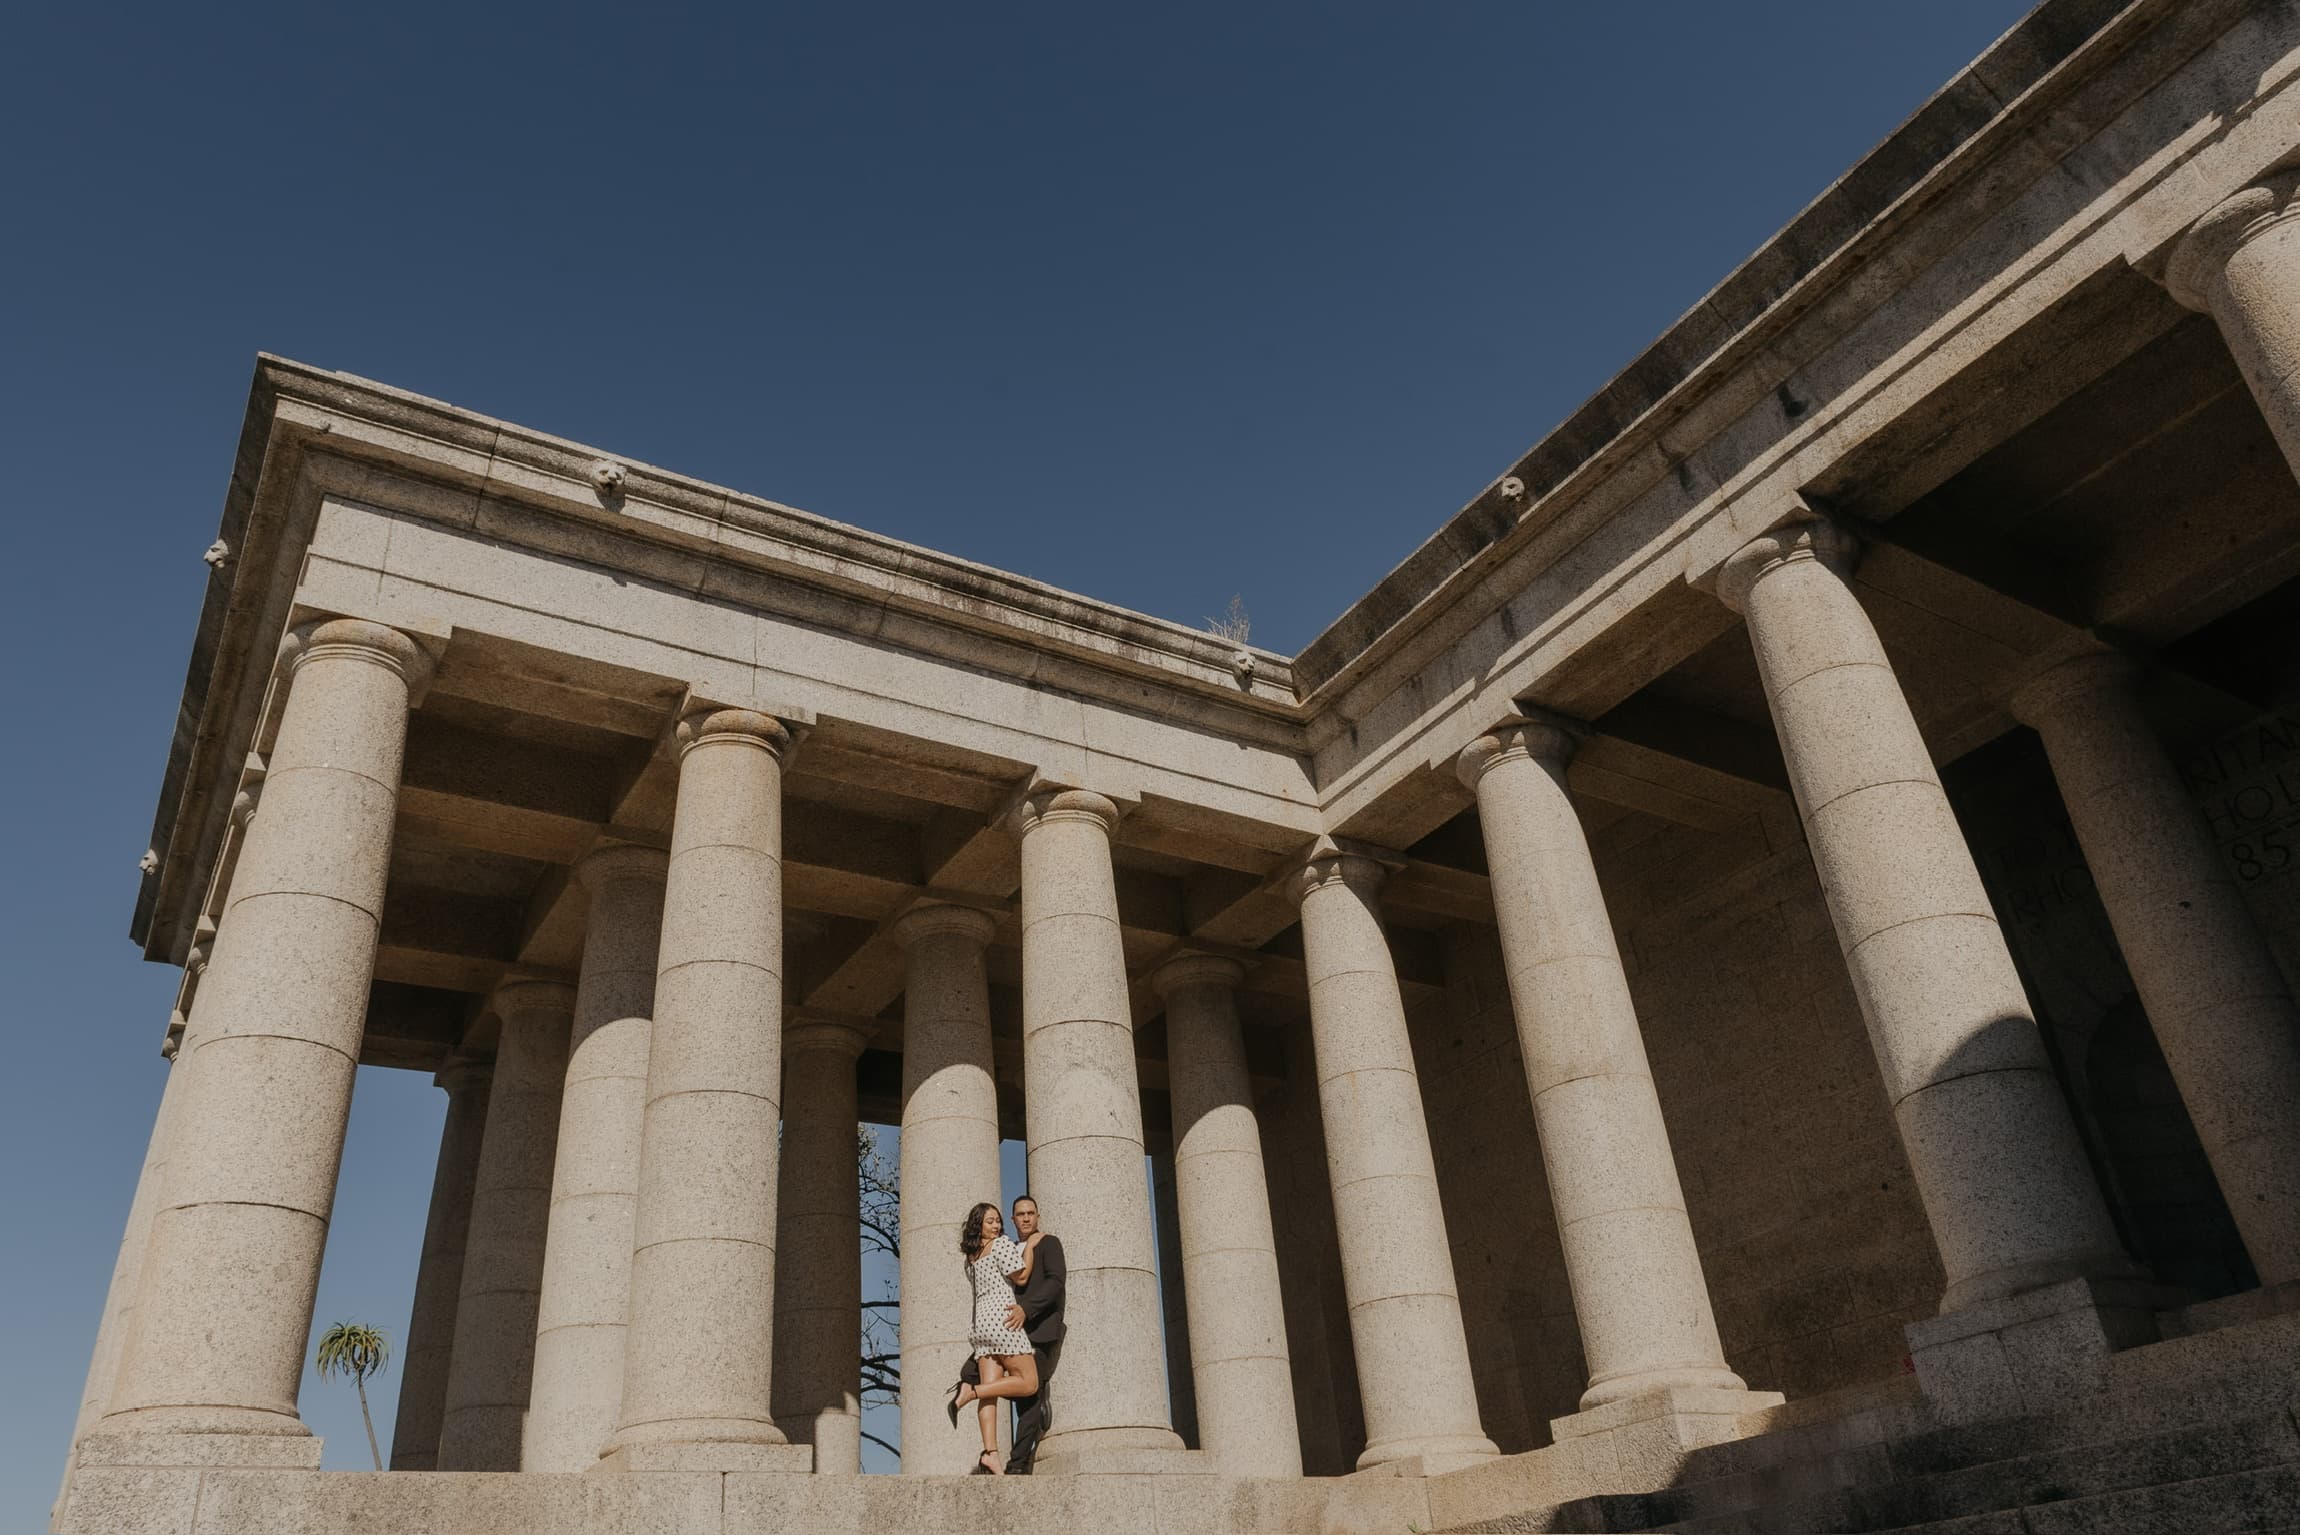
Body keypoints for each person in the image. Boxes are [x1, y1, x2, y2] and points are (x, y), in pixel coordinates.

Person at [954, 1195, 1066, 1474]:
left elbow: (1055, 1282)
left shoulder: (1048, 1243)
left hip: (1033, 1330)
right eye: (1019, 1214)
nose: (1026, 1218)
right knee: (1026, 1387)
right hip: (1007, 1328)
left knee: (1029, 1399)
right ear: (1013, 1219)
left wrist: (1026, 1310)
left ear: (1038, 1216)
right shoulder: (1004, 1245)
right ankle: (971, 1393)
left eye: (1031, 1213)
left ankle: (1002, 1459)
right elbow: (1022, 1277)